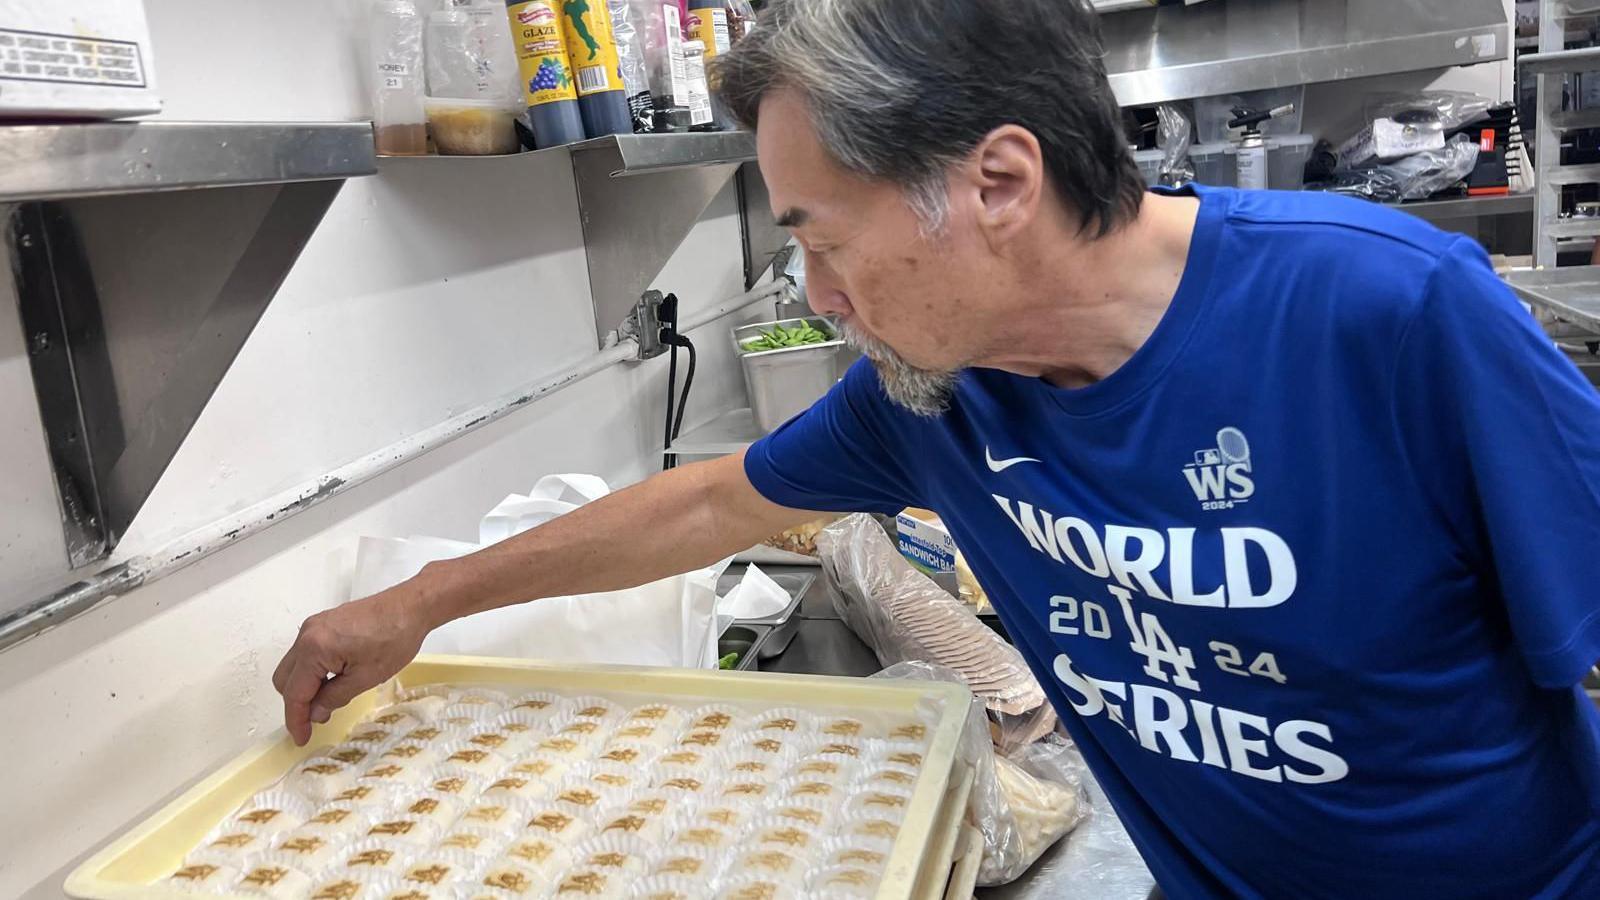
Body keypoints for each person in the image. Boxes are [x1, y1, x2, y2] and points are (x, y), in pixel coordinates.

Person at [275, 0, 1600, 895]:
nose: (813, 289)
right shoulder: (942, 392)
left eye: (822, 234)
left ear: (1000, 185)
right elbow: (704, 507)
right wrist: (416, 604)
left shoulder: (1385, 311)